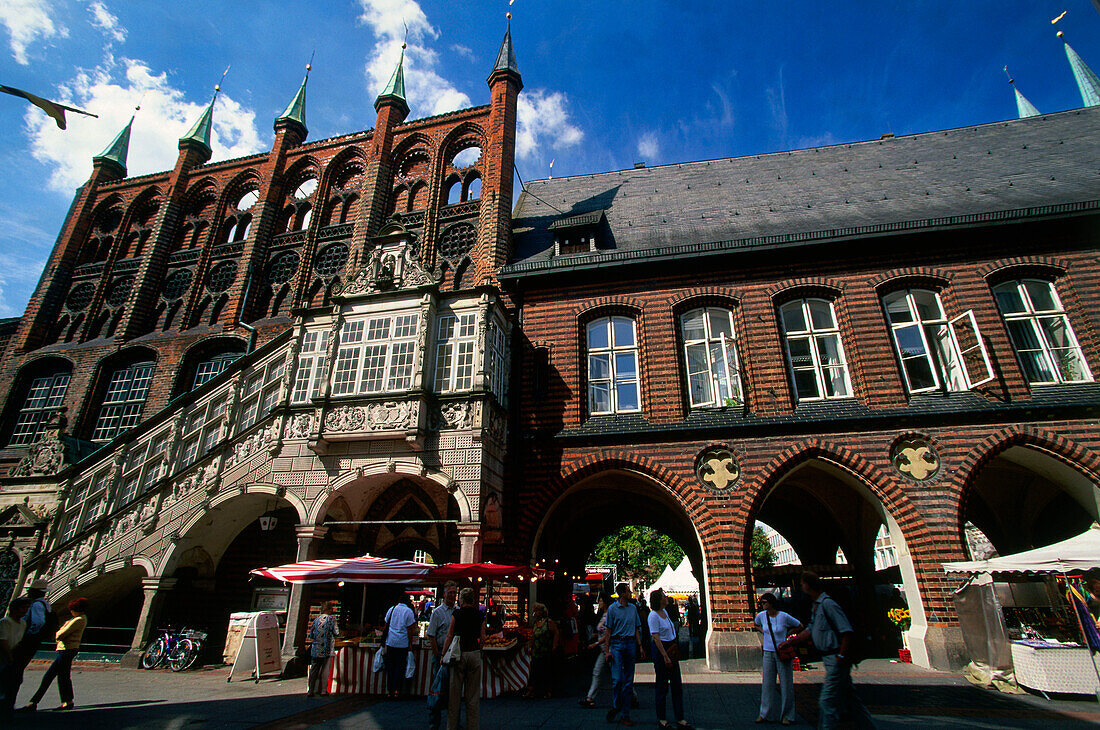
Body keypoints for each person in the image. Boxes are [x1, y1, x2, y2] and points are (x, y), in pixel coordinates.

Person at [780, 573, 875, 729]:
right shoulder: (816, 605)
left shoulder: (828, 604)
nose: (801, 586)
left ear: (809, 585)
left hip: (835, 657)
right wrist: (790, 642)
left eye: (803, 583)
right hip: (830, 658)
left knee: (827, 701)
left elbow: (846, 631)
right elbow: (811, 630)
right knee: (852, 701)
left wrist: (841, 656)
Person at [24, 596, 87, 712]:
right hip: (67, 649)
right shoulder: (79, 619)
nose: (71, 612)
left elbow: (60, 635)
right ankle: (67, 701)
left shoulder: (78, 620)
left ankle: (34, 702)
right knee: (63, 676)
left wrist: (59, 632)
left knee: (49, 675)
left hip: (67, 650)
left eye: (72, 609)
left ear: (76, 609)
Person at [753, 592, 804, 725]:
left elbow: (799, 625)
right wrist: (762, 631)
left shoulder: (783, 616)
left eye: (764, 602)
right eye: (761, 603)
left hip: (782, 652)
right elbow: (755, 624)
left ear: (771, 603)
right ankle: (765, 713)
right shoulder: (761, 616)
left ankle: (788, 715)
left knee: (786, 684)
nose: (762, 605)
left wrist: (789, 633)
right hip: (768, 652)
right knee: (767, 684)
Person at [442, 587, 485, 730]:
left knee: (454, 694)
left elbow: (449, 635)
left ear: (461, 599)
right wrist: (479, 650)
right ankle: (473, 726)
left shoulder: (457, 613)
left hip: (458, 653)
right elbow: (483, 637)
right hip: (474, 652)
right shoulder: (480, 614)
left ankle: (452, 726)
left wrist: (443, 654)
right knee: (472, 695)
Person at [649, 588, 693, 730]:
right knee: (662, 685)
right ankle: (661, 718)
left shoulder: (665, 612)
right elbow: (656, 637)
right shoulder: (653, 616)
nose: (666, 597)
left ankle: (680, 717)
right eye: (663, 596)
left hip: (671, 648)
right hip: (662, 650)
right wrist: (665, 656)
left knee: (676, 685)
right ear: (659, 599)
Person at [604, 583, 644, 726]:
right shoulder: (613, 609)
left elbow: (636, 628)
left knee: (628, 682)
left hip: (630, 644)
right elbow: (608, 631)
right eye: (628, 591)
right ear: (622, 594)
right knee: (617, 680)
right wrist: (607, 650)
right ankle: (616, 705)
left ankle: (625, 714)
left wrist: (640, 646)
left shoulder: (633, 608)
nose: (630, 593)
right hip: (617, 644)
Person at [427, 581, 458, 730]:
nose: (452, 595)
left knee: (454, 690)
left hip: (455, 654)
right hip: (440, 653)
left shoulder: (458, 611)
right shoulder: (437, 613)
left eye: (454, 592)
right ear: (444, 594)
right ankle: (434, 723)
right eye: (450, 592)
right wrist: (437, 654)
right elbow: (431, 635)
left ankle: (453, 723)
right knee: (438, 690)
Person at [11, 579, 54, 682]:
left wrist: (28, 634)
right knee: (19, 665)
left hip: (28, 640)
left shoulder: (37, 604)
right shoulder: (45, 604)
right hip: (33, 640)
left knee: (16, 664)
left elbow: (38, 622)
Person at [382, 593, 418, 699]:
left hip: (391, 642)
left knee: (391, 667)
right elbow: (410, 629)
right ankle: (397, 690)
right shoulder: (408, 612)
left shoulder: (392, 609)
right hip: (402, 643)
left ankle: (390, 690)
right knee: (400, 667)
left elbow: (386, 624)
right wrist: (410, 643)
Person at [0, 598, 30, 717]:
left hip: (14, 657)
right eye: (23, 608)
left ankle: (8, 708)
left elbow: (18, 641)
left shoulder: (23, 623)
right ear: (14, 609)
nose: (25, 611)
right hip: (4, 657)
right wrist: (10, 657)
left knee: (14, 683)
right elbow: (3, 641)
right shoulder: (5, 622)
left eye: (27, 608)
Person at [526, 602, 559, 698]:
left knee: (546, 670)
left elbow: (556, 633)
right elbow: (533, 636)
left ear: (541, 612)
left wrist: (554, 646)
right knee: (534, 670)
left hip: (546, 649)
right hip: (537, 650)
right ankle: (532, 689)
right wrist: (531, 646)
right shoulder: (536, 623)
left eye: (536, 611)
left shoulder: (548, 622)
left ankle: (547, 691)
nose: (534, 613)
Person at [307, 600, 338, 697]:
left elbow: (311, 634)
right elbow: (336, 633)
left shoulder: (316, 620)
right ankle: (324, 690)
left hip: (316, 649)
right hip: (327, 649)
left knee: (314, 670)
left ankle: (311, 690)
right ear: (329, 609)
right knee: (325, 670)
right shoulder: (331, 620)